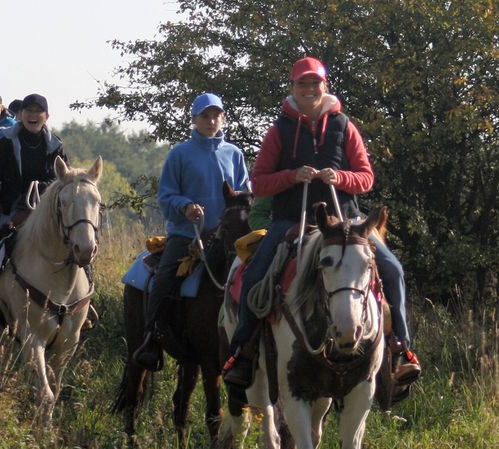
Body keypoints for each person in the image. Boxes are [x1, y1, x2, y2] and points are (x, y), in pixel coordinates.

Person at [222, 56, 421, 388]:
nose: (309, 89)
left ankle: (401, 350)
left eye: (315, 83)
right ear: (293, 87)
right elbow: (260, 182)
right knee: (254, 275)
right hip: (291, 220)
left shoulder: (344, 125)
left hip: (348, 221)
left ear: (324, 86)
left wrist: (340, 177)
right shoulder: (279, 131)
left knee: (393, 270)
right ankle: (242, 352)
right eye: (303, 83)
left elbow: (366, 178)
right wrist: (292, 176)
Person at [132, 93, 249, 371]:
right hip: (187, 235)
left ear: (223, 118)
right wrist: (185, 207)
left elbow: (246, 192)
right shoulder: (180, 154)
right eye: (205, 116)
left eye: (216, 115)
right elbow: (166, 196)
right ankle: (151, 338)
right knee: (163, 278)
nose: (211, 121)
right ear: (194, 120)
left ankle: (253, 342)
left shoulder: (234, 154)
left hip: (225, 238)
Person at [0, 93, 67, 307]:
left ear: (47, 116)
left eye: (38, 111)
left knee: (76, 243)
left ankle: (81, 302)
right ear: (21, 115)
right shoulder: (6, 143)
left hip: (44, 212)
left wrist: (43, 188)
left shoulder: (56, 147)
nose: (33, 115)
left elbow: (63, 180)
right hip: (8, 210)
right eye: (28, 111)